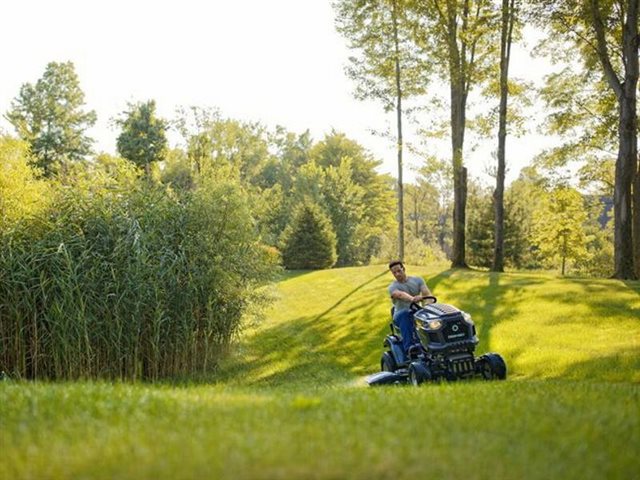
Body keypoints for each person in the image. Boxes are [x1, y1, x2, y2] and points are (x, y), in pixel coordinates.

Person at [387, 260, 433, 355]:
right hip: (400, 315)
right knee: (406, 314)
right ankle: (410, 348)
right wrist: (412, 299)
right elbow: (399, 295)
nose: (397, 274)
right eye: (394, 273)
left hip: (417, 312)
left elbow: (426, 293)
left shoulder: (417, 280)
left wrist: (428, 305)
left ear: (404, 269)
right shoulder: (392, 287)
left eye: (399, 271)